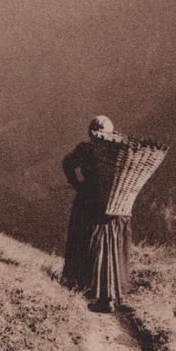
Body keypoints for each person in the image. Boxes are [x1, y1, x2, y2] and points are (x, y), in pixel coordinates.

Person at [61, 116, 131, 312]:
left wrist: (77, 185)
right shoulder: (118, 151)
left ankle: (85, 287)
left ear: (91, 132)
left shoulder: (85, 149)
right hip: (114, 209)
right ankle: (110, 296)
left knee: (88, 245)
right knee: (110, 249)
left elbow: (67, 163)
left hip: (89, 203)